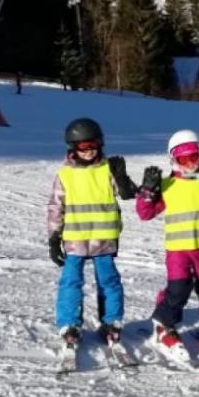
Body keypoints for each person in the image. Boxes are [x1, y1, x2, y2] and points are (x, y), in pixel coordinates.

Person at [136, 129, 199, 356]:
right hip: (178, 251)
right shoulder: (168, 185)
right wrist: (148, 192)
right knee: (178, 289)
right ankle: (164, 325)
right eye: (183, 159)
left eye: (194, 157)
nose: (189, 163)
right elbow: (145, 213)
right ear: (174, 160)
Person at [46, 118, 139, 348]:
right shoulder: (65, 174)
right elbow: (56, 206)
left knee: (109, 281)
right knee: (71, 281)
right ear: (72, 148)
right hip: (74, 241)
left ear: (101, 143)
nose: (89, 151)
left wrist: (121, 176)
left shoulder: (108, 169)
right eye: (82, 147)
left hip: (103, 239)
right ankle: (69, 324)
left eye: (93, 145)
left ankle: (111, 321)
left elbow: (128, 194)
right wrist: (54, 237)